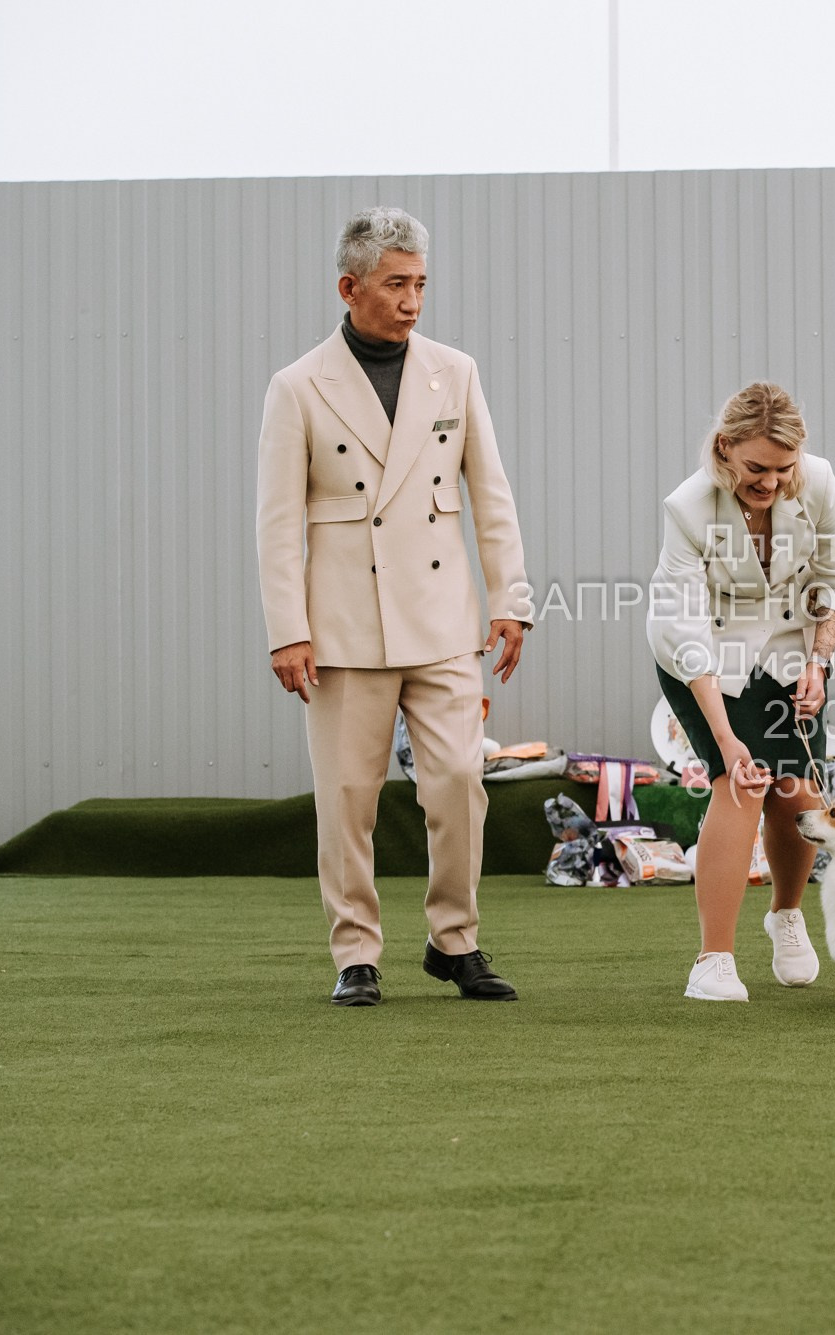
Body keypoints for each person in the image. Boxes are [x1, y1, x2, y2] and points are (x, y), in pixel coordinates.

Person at [256, 207, 536, 1007]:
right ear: (350, 287)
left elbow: (492, 496)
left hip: (443, 620)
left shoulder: (457, 371)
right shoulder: (298, 387)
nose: (413, 301)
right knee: (348, 797)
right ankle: (355, 954)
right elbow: (277, 525)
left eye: (421, 284)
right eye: (395, 284)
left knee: (458, 781)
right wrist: (288, 631)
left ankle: (456, 940)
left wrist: (511, 599)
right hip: (341, 630)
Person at [647, 383, 835, 1001]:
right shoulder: (687, 508)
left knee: (798, 793)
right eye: (755, 469)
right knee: (740, 783)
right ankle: (712, 961)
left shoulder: (818, 483)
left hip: (793, 645)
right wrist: (725, 738)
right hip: (703, 654)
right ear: (725, 449)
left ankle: (786, 916)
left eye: (783, 469)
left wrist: (819, 662)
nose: (770, 483)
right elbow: (684, 628)